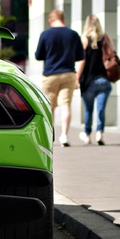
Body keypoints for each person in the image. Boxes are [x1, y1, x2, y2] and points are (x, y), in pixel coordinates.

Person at [35, 9, 84, 147]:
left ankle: (49, 136)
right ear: (63, 19)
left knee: (49, 106)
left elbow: (38, 55)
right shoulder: (73, 34)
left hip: (50, 74)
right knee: (66, 104)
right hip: (69, 73)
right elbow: (80, 56)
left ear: (50, 20)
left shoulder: (45, 34)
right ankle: (64, 136)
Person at [75, 15, 120, 145]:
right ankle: (100, 134)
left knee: (88, 110)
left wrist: (76, 78)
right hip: (103, 81)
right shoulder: (105, 38)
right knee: (101, 109)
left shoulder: (84, 40)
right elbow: (113, 56)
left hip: (88, 82)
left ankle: (86, 134)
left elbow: (82, 61)